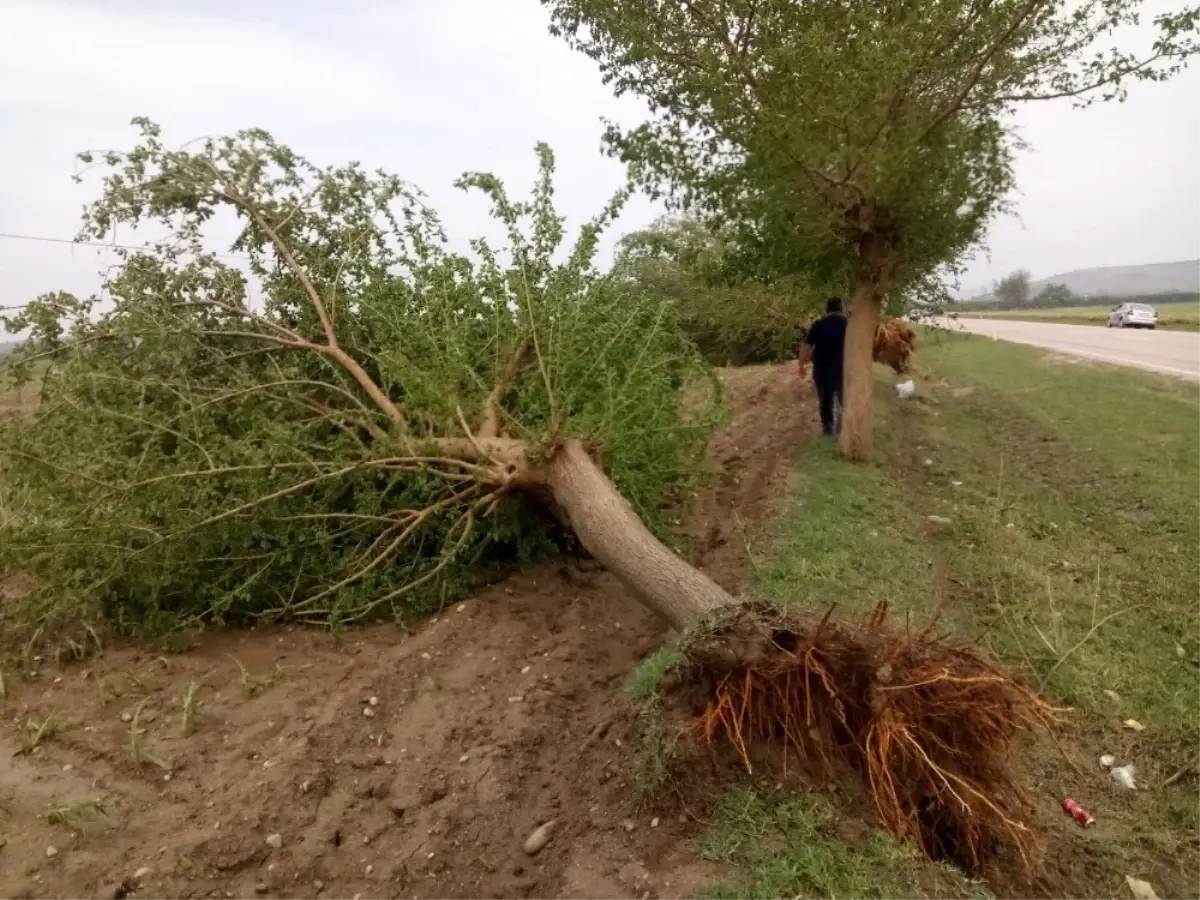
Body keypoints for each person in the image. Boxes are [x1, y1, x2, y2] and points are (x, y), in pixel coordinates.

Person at [798, 296, 847, 436]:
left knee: (826, 401)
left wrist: (801, 365)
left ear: (827, 309)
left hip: (823, 370)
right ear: (841, 308)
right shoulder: (848, 323)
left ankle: (828, 429)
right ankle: (842, 430)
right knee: (843, 401)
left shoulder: (819, 324)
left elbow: (806, 346)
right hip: (843, 369)